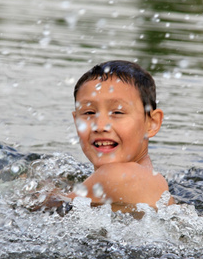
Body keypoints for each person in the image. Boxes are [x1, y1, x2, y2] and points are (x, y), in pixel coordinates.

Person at [43, 60, 173, 214]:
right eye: (89, 113)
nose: (100, 126)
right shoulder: (150, 183)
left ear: (152, 123)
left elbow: (43, 206)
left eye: (117, 112)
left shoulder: (120, 176)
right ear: (76, 120)